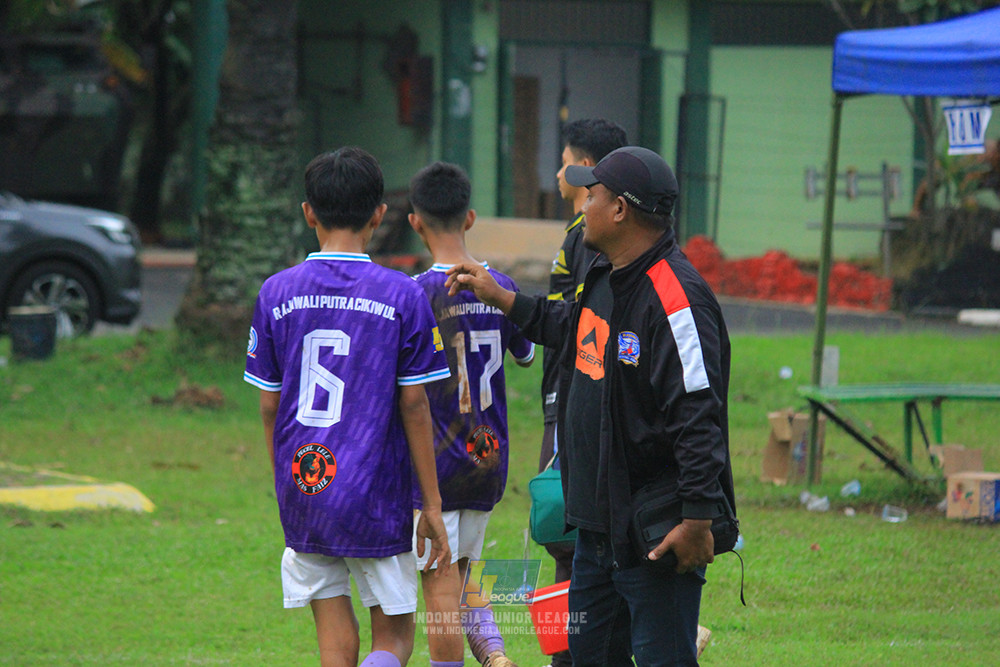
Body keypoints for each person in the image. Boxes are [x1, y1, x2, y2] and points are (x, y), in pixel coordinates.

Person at [445, 146, 735, 666]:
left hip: (656, 531)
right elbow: (569, 326)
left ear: (620, 209)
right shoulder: (605, 273)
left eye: (593, 193)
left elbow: (698, 416)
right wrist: (503, 298)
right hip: (596, 530)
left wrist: (696, 520)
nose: (584, 204)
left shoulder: (676, 300)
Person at [244, 146, 452, 667]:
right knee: (396, 639)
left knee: (334, 642)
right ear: (379, 215)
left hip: (305, 480)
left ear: (308, 213)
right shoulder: (402, 294)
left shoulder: (276, 293)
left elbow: (270, 408)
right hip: (376, 491)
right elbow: (415, 406)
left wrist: (284, 483)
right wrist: (429, 504)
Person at [407, 161, 535, 667]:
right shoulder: (498, 285)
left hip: (434, 465)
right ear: (471, 218)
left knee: (439, 588)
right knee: (463, 575)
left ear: (415, 222)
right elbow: (525, 355)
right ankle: (497, 657)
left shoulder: (413, 295)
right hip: (488, 457)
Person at [541, 118, 627, 667]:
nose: (557, 171)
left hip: (574, 406)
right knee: (563, 542)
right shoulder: (579, 230)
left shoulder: (589, 236)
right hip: (562, 402)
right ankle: (564, 654)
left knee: (563, 536)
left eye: (566, 160)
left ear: (585, 170)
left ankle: (572, 654)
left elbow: (575, 326)